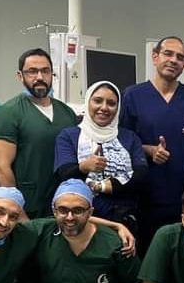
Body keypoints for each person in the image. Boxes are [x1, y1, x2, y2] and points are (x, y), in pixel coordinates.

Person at [120, 36, 184, 249]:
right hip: (144, 196)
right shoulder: (132, 95)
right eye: (168, 54)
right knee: (148, 254)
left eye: (180, 57)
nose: (173, 60)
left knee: (182, 254)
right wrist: (147, 150)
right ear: (155, 56)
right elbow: (120, 143)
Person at [0, 48, 78, 218]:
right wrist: (17, 213)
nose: (39, 77)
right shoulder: (9, 112)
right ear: (20, 76)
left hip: (65, 206)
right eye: (32, 71)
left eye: (45, 71)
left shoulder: (67, 113)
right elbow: (1, 168)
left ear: (52, 74)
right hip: (28, 205)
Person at [55, 81, 148, 234]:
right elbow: (64, 175)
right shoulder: (69, 136)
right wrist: (83, 167)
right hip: (81, 221)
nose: (104, 108)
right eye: (97, 101)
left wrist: (112, 186)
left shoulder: (129, 137)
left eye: (111, 103)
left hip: (124, 219)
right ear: (88, 102)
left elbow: (141, 175)